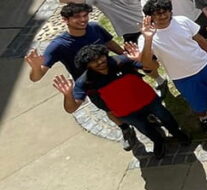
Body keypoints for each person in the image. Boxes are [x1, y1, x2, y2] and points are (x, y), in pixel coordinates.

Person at [25, 3, 140, 151]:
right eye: (77, 17)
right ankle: (125, 128)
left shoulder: (94, 27)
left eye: (85, 15)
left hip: (115, 73)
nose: (83, 20)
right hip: (93, 85)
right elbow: (36, 77)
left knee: (133, 96)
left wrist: (125, 56)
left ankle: (145, 115)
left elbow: (109, 43)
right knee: (111, 110)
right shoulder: (59, 45)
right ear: (65, 20)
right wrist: (35, 67)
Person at [52, 45, 189, 159]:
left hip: (148, 100)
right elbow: (71, 108)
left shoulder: (121, 61)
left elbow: (151, 68)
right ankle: (158, 141)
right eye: (94, 61)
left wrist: (139, 59)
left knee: (165, 117)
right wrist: (68, 95)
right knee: (144, 128)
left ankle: (177, 133)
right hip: (126, 112)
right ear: (87, 65)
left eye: (101, 57)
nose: (100, 62)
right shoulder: (85, 81)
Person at [139, 0, 207, 136]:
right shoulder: (145, 39)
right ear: (150, 16)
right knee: (196, 101)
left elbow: (201, 41)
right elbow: (147, 64)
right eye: (157, 14)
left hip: (205, 65)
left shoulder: (182, 21)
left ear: (170, 11)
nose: (163, 16)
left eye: (165, 12)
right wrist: (148, 39)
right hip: (182, 77)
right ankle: (204, 118)